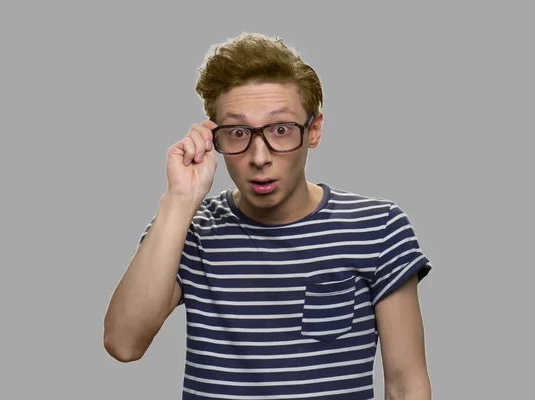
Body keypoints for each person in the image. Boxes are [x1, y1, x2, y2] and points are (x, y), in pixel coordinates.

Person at [103, 32, 433, 400]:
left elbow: (406, 386)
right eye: (238, 132)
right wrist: (179, 200)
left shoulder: (378, 227)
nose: (259, 157)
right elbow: (123, 344)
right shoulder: (187, 230)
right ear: (214, 139)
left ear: (314, 131)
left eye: (280, 129)